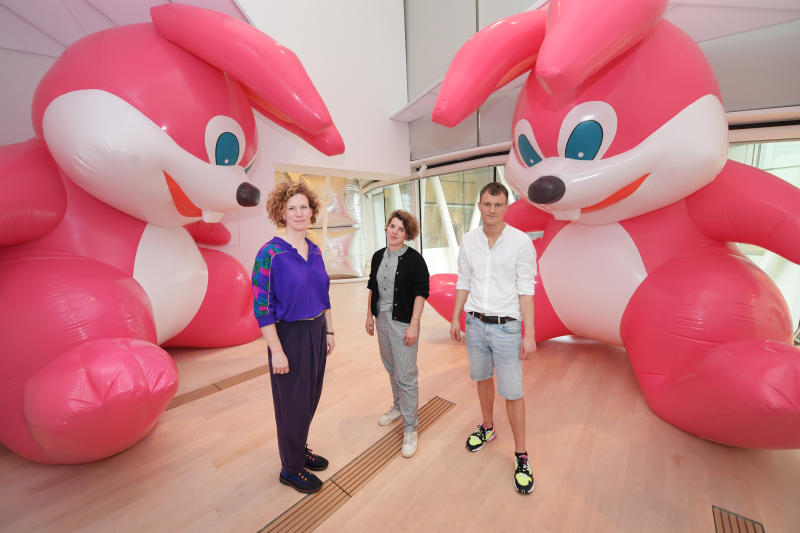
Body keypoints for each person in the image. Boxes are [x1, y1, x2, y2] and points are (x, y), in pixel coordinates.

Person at [449, 182, 538, 495]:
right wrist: (455, 316)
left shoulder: (521, 243)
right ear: (479, 205)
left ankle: (521, 455)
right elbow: (464, 280)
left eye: (498, 205)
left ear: (506, 207)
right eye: (487, 204)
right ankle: (487, 427)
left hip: (507, 327)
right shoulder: (469, 240)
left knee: (513, 392)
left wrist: (530, 334)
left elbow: (526, 290)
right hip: (474, 323)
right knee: (482, 379)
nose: (492, 210)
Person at [251, 181, 335, 494]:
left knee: (310, 398)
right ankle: (290, 468)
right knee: (292, 405)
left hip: (316, 331)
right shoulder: (270, 254)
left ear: (311, 211)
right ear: (282, 213)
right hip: (289, 336)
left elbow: (324, 294)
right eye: (292, 208)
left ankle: (299, 449)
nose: (299, 213)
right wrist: (277, 350)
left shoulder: (314, 250)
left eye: (304, 207)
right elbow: (261, 307)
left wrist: (328, 330)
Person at [366, 210, 430, 458]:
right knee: (391, 367)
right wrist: (369, 316)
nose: (394, 232)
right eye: (392, 226)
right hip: (381, 319)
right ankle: (398, 407)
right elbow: (372, 287)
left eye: (401, 229)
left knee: (406, 375)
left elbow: (421, 293)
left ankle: (410, 427)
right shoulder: (377, 256)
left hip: (403, 322)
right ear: (386, 227)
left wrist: (414, 324)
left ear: (407, 234)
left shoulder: (415, 260)